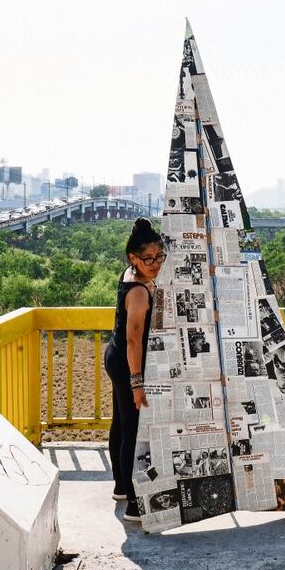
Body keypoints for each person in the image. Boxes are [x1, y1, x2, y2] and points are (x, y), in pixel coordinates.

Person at [105, 217, 165, 522]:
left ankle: (119, 486)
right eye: (148, 259)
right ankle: (132, 503)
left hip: (115, 356)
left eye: (159, 257)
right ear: (133, 257)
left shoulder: (131, 273)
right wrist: (137, 384)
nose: (154, 264)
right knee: (132, 428)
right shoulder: (139, 291)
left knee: (121, 422)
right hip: (127, 360)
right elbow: (133, 340)